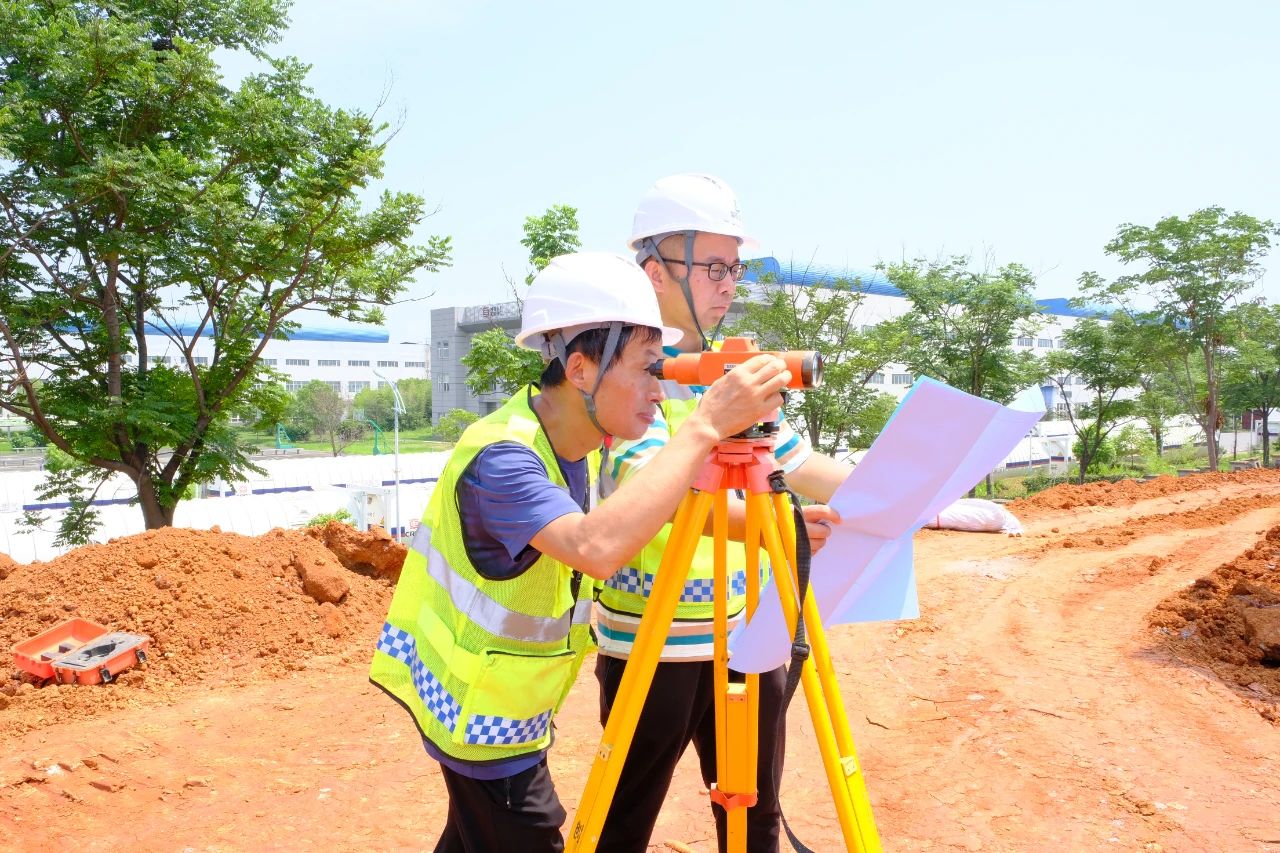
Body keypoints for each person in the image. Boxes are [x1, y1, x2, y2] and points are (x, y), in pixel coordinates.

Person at [369, 251, 795, 853]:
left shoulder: (574, 443)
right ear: (579, 368)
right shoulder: (503, 459)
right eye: (647, 369)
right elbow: (595, 547)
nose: (659, 391)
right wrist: (702, 429)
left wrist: (774, 518)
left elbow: (653, 508)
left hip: (511, 699)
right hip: (478, 712)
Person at [594, 174, 855, 852]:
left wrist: (907, 493)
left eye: (735, 268)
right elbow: (651, 491)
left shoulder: (728, 369)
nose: (728, 283)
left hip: (746, 634)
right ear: (655, 270)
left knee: (754, 819)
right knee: (622, 822)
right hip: (652, 642)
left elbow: (797, 464)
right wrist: (785, 528)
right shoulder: (624, 370)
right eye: (713, 266)